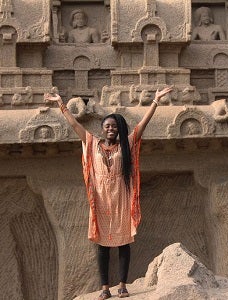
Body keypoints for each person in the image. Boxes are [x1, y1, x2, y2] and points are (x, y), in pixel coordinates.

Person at [44, 86, 172, 299]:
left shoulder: (127, 144)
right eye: (107, 126)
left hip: (121, 197)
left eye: (114, 126)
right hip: (101, 199)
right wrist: (60, 103)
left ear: (118, 129)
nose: (110, 129)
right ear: (102, 129)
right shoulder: (92, 142)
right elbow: (74, 124)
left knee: (123, 242)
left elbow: (142, 126)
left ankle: (122, 285)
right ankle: (105, 288)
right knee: (102, 245)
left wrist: (156, 101)